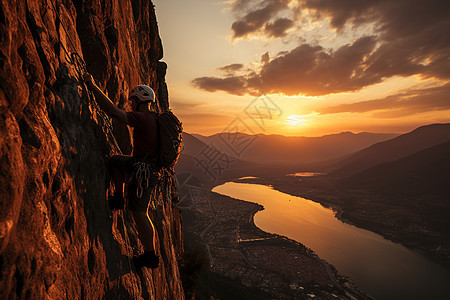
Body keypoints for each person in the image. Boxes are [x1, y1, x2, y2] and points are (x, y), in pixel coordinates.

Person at [83, 73, 160, 269]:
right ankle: (118, 197)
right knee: (116, 160)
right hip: (148, 168)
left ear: (138, 100)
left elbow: (116, 113)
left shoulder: (143, 118)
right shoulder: (155, 118)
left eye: (133, 100)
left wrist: (93, 87)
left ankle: (150, 255)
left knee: (139, 212)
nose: (131, 104)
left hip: (144, 171)